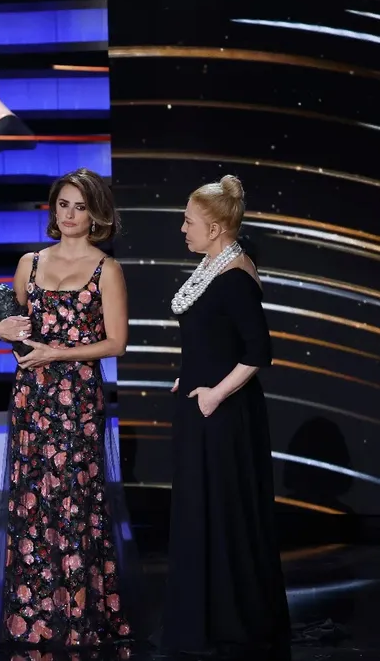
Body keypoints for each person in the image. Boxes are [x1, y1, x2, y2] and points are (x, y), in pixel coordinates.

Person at [0, 168, 142, 650]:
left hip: (78, 399)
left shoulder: (106, 269)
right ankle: (34, 616)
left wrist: (59, 354)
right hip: (33, 397)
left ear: (96, 212)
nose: (70, 215)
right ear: (53, 211)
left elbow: (116, 343)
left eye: (79, 206)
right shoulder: (29, 263)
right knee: (34, 499)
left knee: (76, 502)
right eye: (63, 205)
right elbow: (13, 326)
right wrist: (1, 331)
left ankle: (80, 613)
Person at [162, 175, 290, 659]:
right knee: (201, 512)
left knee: (223, 513)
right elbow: (213, 339)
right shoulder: (212, 268)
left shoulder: (235, 275)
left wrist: (215, 392)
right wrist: (190, 375)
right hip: (200, 407)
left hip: (224, 415)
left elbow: (259, 351)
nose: (182, 228)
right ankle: (206, 616)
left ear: (215, 228)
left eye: (189, 221)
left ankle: (231, 620)